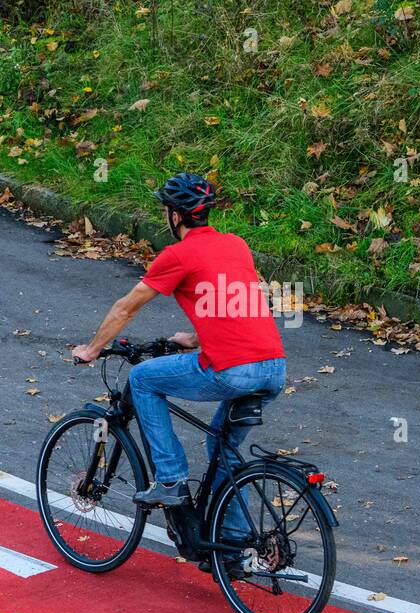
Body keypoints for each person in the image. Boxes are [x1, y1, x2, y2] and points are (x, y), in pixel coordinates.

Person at [71, 172, 286, 538]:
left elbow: (127, 307)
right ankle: (234, 545)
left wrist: (91, 349)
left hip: (233, 369)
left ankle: (169, 480)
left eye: (166, 210)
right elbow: (234, 302)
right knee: (223, 447)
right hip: (273, 367)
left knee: (142, 379)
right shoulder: (236, 244)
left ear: (175, 215)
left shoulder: (178, 254)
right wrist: (196, 336)